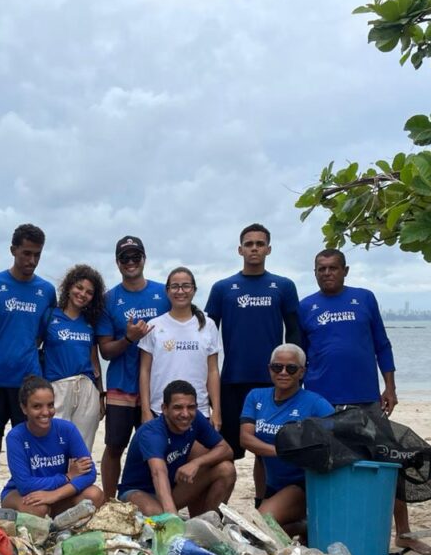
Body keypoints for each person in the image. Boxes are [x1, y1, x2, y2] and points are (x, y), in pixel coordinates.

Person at [298, 248, 431, 555]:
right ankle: (320, 527)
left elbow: (382, 344)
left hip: (367, 401)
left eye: (333, 268)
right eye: (321, 269)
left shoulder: (365, 298)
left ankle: (404, 533)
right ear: (315, 272)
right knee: (323, 466)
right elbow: (300, 357)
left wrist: (390, 386)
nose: (327, 273)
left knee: (389, 461)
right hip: (323, 403)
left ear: (345, 270)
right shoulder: (305, 306)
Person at [206, 223, 301, 504]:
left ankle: (263, 503)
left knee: (266, 449)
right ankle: (219, 506)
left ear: (268, 249)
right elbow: (207, 336)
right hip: (232, 381)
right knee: (226, 450)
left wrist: (296, 375)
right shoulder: (223, 288)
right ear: (240, 249)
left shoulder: (283, 286)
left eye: (260, 244)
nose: (255, 248)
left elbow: (294, 332)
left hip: (273, 381)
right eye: (249, 244)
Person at [0, 224, 56, 499]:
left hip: (28, 384)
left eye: (36, 255)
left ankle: (28, 500)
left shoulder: (46, 290)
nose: (30, 261)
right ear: (13, 250)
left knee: (30, 447)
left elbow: (43, 336)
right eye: (25, 253)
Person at [95, 236, 169, 499]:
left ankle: (158, 498)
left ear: (144, 259)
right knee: (114, 445)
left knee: (158, 448)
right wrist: (128, 339)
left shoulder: (164, 293)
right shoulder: (109, 299)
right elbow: (105, 350)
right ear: (117, 263)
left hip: (159, 386)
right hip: (122, 385)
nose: (130, 262)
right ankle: (109, 500)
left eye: (135, 256)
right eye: (124, 258)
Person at [239, 344, 334, 537]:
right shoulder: (256, 396)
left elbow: (337, 436)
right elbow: (245, 439)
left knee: (257, 528)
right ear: (269, 369)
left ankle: (305, 525)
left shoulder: (315, 403)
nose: (283, 372)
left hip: (301, 484)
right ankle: (303, 527)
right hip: (272, 485)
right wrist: (285, 451)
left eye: (291, 368)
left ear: (302, 372)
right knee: (253, 531)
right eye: (277, 367)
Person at [118, 379, 236, 517]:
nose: (185, 414)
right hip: (139, 492)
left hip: (172, 489)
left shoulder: (196, 419)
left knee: (226, 469)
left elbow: (226, 449)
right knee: (156, 513)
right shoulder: (152, 433)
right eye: (178, 407)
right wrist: (171, 517)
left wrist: (196, 462)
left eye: (191, 407)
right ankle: (169, 516)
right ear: (164, 409)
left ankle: (208, 521)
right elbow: (158, 473)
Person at [0, 376, 105, 517]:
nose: (45, 412)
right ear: (24, 408)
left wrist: (55, 495)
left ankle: (59, 523)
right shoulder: (16, 436)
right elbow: (25, 485)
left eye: (50, 405)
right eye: (37, 406)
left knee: (95, 495)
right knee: (39, 509)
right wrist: (67, 477)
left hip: (57, 493)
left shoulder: (67, 430)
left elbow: (90, 473)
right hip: (20, 493)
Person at [139, 267, 221, 427]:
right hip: (160, 410)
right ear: (167, 291)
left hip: (198, 410)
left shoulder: (208, 325)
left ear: (194, 290)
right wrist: (145, 410)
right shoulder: (154, 325)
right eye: (175, 286)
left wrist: (216, 411)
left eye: (186, 286)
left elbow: (213, 371)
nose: (180, 291)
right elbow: (144, 371)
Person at [42, 264, 106, 452]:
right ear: (69, 287)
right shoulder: (50, 316)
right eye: (79, 287)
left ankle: (78, 482)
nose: (82, 294)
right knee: (54, 445)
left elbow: (94, 361)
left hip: (87, 388)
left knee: (82, 448)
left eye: (89, 292)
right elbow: (30, 344)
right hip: (57, 388)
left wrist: (100, 394)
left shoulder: (90, 322)